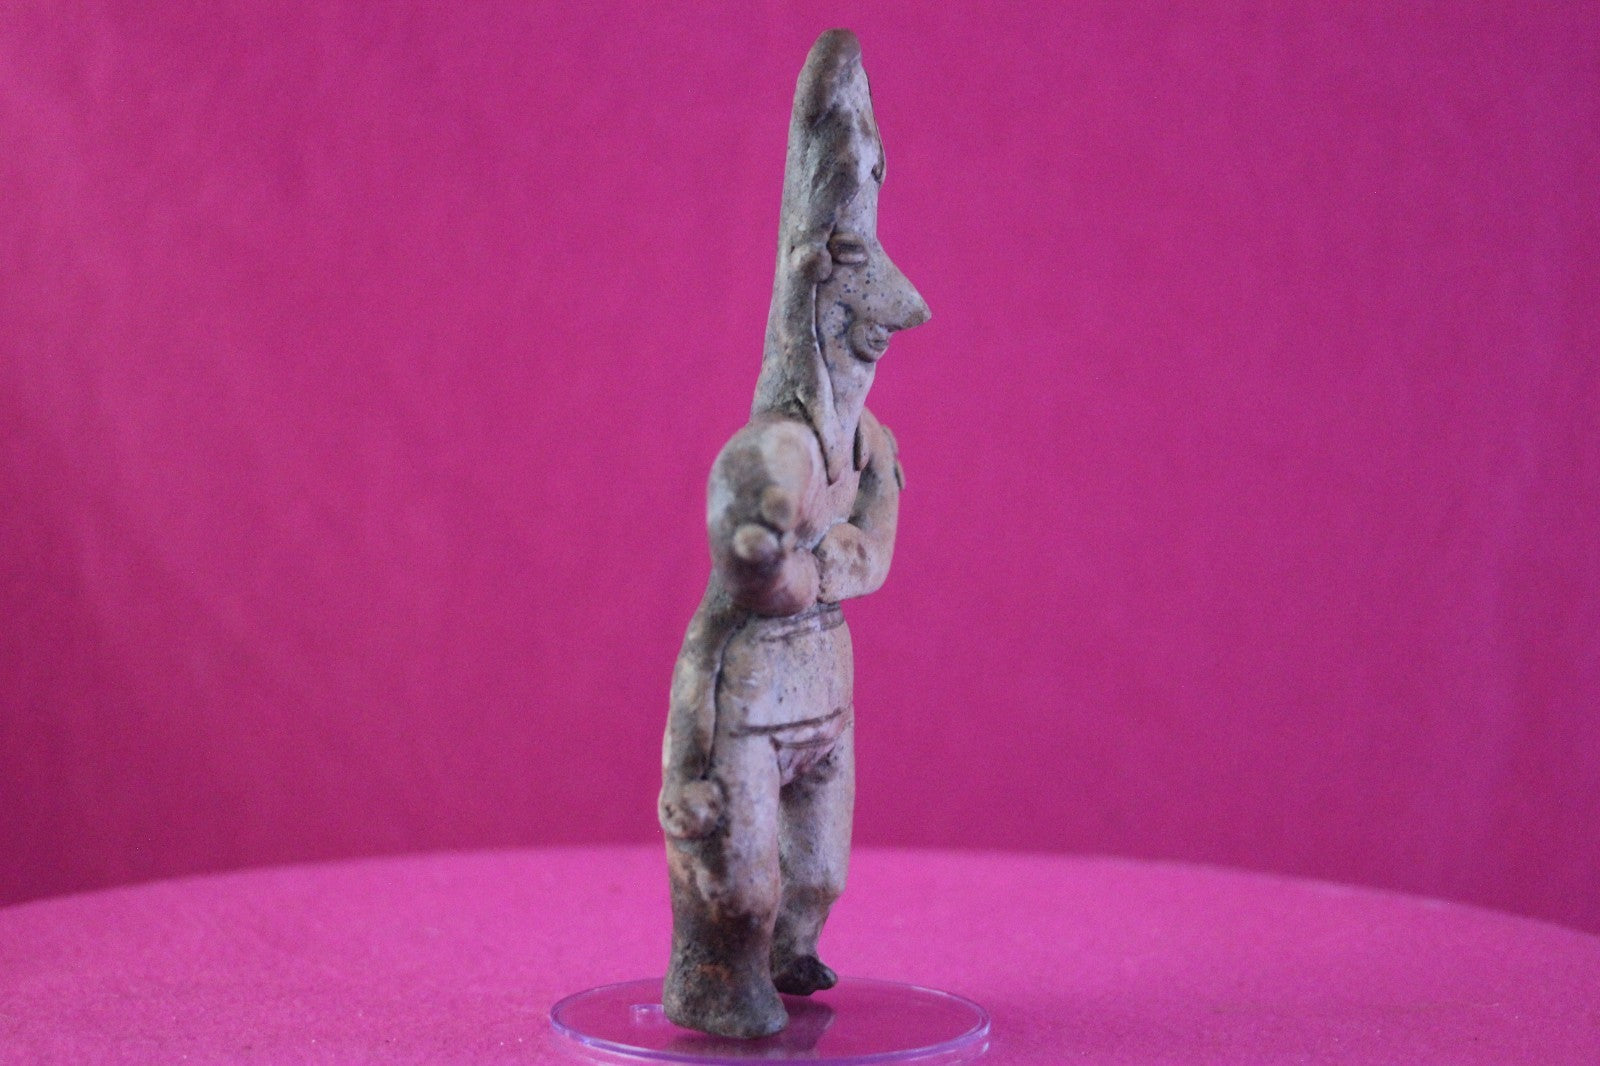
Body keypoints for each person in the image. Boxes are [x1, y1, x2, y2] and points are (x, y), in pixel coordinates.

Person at [656, 29, 931, 1039]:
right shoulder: (775, 449)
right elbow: (748, 560)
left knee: (816, 870)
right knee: (740, 876)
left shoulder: (867, 440)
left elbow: (875, 540)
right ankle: (717, 980)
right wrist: (790, 559)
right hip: (746, 691)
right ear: (816, 312)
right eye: (861, 333)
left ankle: (791, 950)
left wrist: (839, 561)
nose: (872, 358)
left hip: (822, 687)